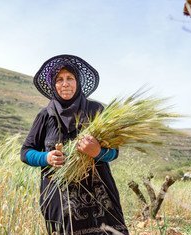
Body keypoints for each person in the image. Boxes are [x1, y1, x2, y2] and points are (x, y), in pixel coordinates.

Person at [20, 54, 128, 235]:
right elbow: (25, 152)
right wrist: (46, 157)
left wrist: (98, 152)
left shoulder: (96, 111)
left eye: (70, 78)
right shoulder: (45, 116)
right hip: (59, 199)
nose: (65, 84)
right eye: (59, 79)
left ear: (78, 82)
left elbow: (114, 152)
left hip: (100, 198)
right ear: (53, 85)